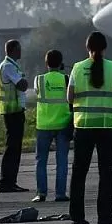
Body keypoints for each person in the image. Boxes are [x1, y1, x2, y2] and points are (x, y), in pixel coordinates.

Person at [67, 31, 112, 224]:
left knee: (79, 173)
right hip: (107, 126)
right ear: (104, 48)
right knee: (106, 173)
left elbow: (69, 98)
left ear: (87, 48)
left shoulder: (77, 68)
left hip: (83, 126)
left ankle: (77, 218)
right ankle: (104, 217)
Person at [33, 49, 71, 203]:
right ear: (61, 63)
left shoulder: (39, 79)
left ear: (46, 63)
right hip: (63, 123)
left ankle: (41, 193)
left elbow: (37, 92)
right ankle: (60, 194)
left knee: (41, 161)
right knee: (61, 161)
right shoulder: (66, 79)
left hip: (44, 125)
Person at [0, 39, 30, 193]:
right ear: (12, 50)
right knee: (12, 148)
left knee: (14, 147)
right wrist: (25, 81)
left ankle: (10, 181)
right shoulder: (8, 66)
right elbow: (21, 84)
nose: (21, 52)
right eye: (19, 49)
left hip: (14, 110)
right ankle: (6, 182)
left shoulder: (10, 65)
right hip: (12, 111)